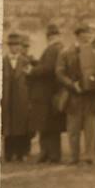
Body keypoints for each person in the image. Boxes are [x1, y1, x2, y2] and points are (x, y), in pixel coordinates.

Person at [57, 21, 95, 165]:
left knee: (91, 127)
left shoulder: (94, 52)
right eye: (84, 35)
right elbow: (59, 72)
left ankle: (89, 156)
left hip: (90, 96)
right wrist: (72, 84)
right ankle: (74, 156)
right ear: (77, 36)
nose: (87, 38)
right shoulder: (66, 52)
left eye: (89, 35)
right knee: (73, 128)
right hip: (73, 96)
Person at [28, 23, 66, 164]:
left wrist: (32, 70)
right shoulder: (59, 48)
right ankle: (47, 154)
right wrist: (35, 62)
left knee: (48, 126)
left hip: (47, 94)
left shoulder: (53, 49)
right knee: (48, 126)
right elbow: (49, 66)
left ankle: (51, 155)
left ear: (49, 36)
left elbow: (48, 69)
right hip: (51, 92)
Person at [2, 32, 33, 161]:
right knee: (8, 127)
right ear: (9, 47)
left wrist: (29, 99)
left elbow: (31, 81)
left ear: (20, 46)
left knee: (22, 126)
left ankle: (21, 154)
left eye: (17, 45)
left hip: (22, 99)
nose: (15, 48)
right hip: (7, 99)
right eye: (12, 45)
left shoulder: (26, 61)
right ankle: (9, 154)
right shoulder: (2, 61)